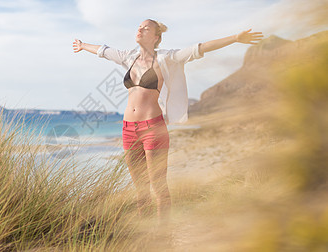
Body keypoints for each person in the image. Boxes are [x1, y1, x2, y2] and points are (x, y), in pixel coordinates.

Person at [72, 19, 263, 222]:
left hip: (152, 128)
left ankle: (164, 235)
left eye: (145, 28)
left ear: (155, 37)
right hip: (128, 129)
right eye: (139, 26)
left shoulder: (168, 58)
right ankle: (144, 235)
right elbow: (104, 50)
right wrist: (83, 46)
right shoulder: (129, 57)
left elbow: (199, 48)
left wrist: (235, 38)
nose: (140, 29)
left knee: (158, 185)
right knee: (140, 188)